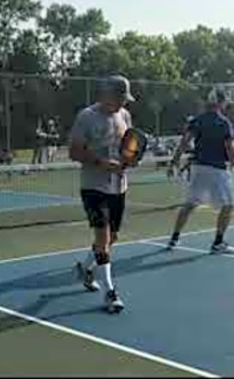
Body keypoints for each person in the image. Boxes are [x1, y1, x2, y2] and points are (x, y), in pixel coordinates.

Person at [70, 74, 136, 313]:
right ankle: (110, 292)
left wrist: (128, 161)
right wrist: (100, 162)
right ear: (106, 95)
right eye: (119, 98)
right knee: (103, 237)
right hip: (93, 186)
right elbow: (74, 151)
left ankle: (86, 269)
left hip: (119, 186)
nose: (122, 104)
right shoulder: (86, 117)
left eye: (125, 99)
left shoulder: (125, 115)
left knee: (111, 238)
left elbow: (128, 148)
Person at [166, 87, 234, 253]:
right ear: (222, 103)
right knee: (229, 205)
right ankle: (218, 243)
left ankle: (174, 239)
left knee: (189, 204)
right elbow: (231, 150)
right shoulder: (224, 123)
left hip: (198, 168)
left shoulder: (197, 120)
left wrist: (173, 162)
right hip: (217, 170)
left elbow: (184, 142)